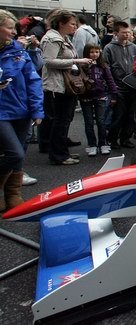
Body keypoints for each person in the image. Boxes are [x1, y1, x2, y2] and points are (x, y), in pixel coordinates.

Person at [0, 9, 44, 211]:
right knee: (14, 154)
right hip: (2, 113)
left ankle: (12, 195)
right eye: (9, 28)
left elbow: (33, 81)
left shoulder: (19, 51)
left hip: (21, 110)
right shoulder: (16, 50)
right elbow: (6, 75)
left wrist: (36, 110)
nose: (13, 32)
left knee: (19, 155)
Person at [40, 9, 93, 165]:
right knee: (59, 121)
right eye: (71, 24)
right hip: (57, 86)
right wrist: (77, 62)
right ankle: (58, 155)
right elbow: (48, 61)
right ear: (61, 23)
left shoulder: (63, 38)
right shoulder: (52, 39)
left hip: (66, 84)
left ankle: (62, 151)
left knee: (65, 120)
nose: (74, 27)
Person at [103, 21, 136, 149]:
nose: (126, 35)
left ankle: (126, 138)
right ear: (116, 33)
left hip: (132, 86)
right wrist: (112, 87)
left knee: (130, 115)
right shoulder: (109, 48)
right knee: (118, 115)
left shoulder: (134, 47)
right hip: (118, 87)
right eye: (123, 32)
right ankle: (112, 139)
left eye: (128, 32)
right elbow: (106, 68)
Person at [80, 43, 117, 156]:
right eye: (91, 52)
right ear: (86, 53)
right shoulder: (81, 65)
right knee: (89, 122)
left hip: (100, 96)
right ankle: (92, 145)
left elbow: (110, 80)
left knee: (101, 121)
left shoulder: (103, 65)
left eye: (97, 52)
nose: (94, 54)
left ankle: (103, 143)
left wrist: (114, 94)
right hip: (85, 97)